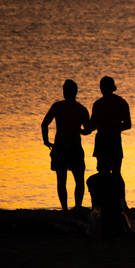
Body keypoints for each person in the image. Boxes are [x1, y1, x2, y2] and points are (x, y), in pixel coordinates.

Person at [41, 80, 91, 212]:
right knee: (79, 179)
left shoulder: (57, 107)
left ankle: (64, 208)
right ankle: (78, 206)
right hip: (74, 146)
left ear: (64, 92)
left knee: (61, 180)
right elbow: (87, 130)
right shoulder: (81, 109)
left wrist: (46, 141)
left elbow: (44, 124)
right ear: (76, 92)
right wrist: (77, 129)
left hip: (60, 147)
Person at [90, 76, 131, 211]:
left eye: (104, 86)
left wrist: (113, 127)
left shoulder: (120, 103)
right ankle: (105, 202)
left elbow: (128, 124)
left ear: (110, 87)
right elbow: (92, 125)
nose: (102, 89)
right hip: (102, 139)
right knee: (103, 172)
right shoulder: (98, 104)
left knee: (116, 173)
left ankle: (121, 202)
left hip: (112, 139)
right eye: (101, 86)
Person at [87, 157, 132, 238]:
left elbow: (94, 199)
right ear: (111, 168)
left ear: (97, 168)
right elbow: (120, 200)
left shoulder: (91, 180)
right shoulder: (117, 180)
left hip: (102, 212)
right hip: (115, 213)